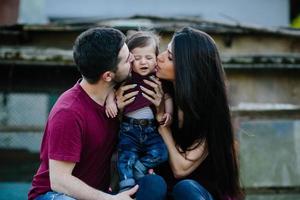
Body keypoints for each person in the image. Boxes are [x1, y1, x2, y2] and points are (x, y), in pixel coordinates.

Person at [28, 27, 166, 200]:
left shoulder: (118, 101)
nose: (133, 58)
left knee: (154, 185)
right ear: (108, 75)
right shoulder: (69, 112)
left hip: (97, 194)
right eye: (127, 59)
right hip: (54, 195)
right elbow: (59, 181)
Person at [137, 27, 244, 200]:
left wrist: (164, 129)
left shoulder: (211, 112)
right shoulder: (161, 94)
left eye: (170, 57)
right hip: (165, 194)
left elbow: (180, 169)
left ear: (188, 70)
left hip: (197, 194)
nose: (160, 57)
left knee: (185, 188)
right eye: (166, 51)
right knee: (151, 183)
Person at [105, 31, 172, 192]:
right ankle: (126, 186)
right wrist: (110, 102)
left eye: (149, 58)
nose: (143, 62)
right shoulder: (126, 76)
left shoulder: (158, 78)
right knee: (125, 158)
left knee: (161, 153)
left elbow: (168, 96)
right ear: (129, 59)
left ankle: (140, 167)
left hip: (151, 129)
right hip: (129, 129)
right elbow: (110, 88)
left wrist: (167, 112)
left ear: (156, 58)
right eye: (137, 58)